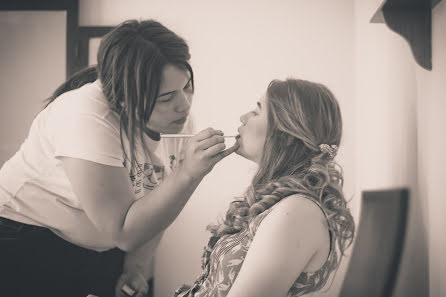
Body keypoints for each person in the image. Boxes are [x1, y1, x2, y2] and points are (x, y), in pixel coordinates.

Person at [0, 19, 238, 297]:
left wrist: (136, 267)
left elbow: (160, 202)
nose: (184, 104)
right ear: (124, 99)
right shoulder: (85, 116)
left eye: (187, 87)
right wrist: (188, 173)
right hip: (24, 238)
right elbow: (123, 230)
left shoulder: (176, 118)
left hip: (102, 246)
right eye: (166, 97)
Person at [174, 78, 355, 297]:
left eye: (256, 111)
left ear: (287, 135)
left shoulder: (298, 213)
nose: (243, 117)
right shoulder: (285, 203)